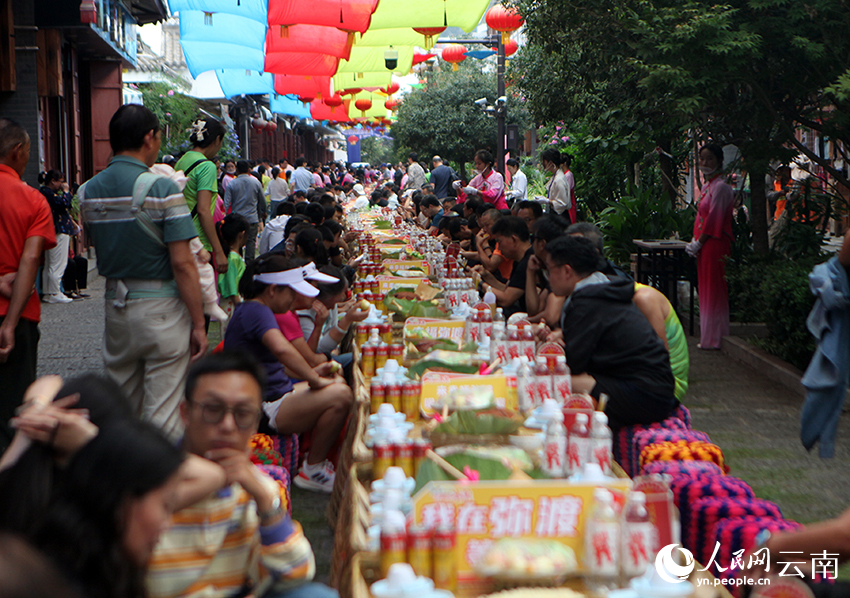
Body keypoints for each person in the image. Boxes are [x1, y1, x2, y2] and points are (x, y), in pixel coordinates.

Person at [147, 352, 334, 598]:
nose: (227, 425)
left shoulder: (255, 484)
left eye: (243, 414)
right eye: (213, 409)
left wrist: (266, 502)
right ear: (185, 413)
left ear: (256, 424)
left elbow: (298, 573)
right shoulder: (149, 479)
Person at [79, 104, 207, 442]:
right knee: (163, 415)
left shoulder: (88, 191)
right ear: (149, 137)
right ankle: (156, 486)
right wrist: (198, 322)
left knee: (120, 408)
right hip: (162, 310)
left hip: (116, 309)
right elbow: (182, 263)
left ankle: (120, 484)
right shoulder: (162, 188)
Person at [223, 256, 353, 492]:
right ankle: (313, 468)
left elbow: (277, 362)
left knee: (336, 383)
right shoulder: (257, 311)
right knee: (341, 395)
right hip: (264, 405)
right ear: (273, 290)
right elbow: (282, 350)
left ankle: (314, 462)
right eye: (291, 294)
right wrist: (314, 379)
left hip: (273, 395)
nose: (294, 300)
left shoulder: (253, 310)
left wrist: (315, 373)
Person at [545, 235, 678, 429]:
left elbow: (574, 364)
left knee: (561, 380)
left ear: (567, 271)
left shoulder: (586, 301)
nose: (548, 278)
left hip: (646, 396)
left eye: (549, 270)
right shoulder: (605, 287)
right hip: (660, 389)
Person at [0, 119, 56, 451]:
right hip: (17, 316)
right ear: (18, 151)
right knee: (13, 409)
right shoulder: (33, 200)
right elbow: (30, 260)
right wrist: (8, 323)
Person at [686, 143, 734, 350]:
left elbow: (715, 219)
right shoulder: (708, 187)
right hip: (704, 245)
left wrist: (699, 242)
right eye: (702, 159)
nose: (705, 163)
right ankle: (709, 336)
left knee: (714, 290)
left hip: (715, 244)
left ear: (720, 161)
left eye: (710, 159)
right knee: (705, 290)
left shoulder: (721, 188)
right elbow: (701, 217)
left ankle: (715, 338)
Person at [175, 117, 229, 274]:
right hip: (199, 241)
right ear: (217, 139)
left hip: (182, 235)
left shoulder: (183, 160)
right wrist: (218, 251)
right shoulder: (207, 166)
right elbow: (203, 210)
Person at [477, 216, 534, 317]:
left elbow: (506, 299)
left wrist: (480, 284)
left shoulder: (529, 261)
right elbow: (506, 289)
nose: (499, 247)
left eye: (500, 242)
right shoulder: (518, 260)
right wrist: (486, 276)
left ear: (513, 239)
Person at [39, 170, 77, 303]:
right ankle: (55, 292)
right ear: (53, 181)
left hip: (52, 229)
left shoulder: (44, 192)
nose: (62, 184)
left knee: (50, 263)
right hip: (58, 229)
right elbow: (64, 204)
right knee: (58, 263)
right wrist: (67, 192)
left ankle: (48, 292)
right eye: (60, 181)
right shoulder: (49, 194)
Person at [224, 160, 267, 261]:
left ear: (237, 170)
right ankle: (249, 265)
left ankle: (238, 262)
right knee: (251, 242)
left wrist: (225, 217)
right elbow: (262, 200)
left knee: (236, 242)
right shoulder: (256, 182)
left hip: (237, 219)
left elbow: (226, 203)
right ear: (249, 170)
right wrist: (263, 212)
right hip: (252, 218)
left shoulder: (232, 184)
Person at [217, 214, 250, 331]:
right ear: (242, 234)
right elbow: (231, 285)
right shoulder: (233, 258)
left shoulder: (230, 256)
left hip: (231, 302)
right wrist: (239, 305)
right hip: (233, 302)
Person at [539, 148, 571, 220]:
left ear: (550, 163)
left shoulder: (559, 179)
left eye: (544, 161)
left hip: (560, 217)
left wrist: (547, 201)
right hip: (555, 215)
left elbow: (563, 203)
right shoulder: (555, 176)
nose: (542, 163)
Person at [560, 154, 577, 224]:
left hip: (569, 205)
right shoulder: (565, 175)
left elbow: (567, 191)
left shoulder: (568, 175)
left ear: (563, 163)